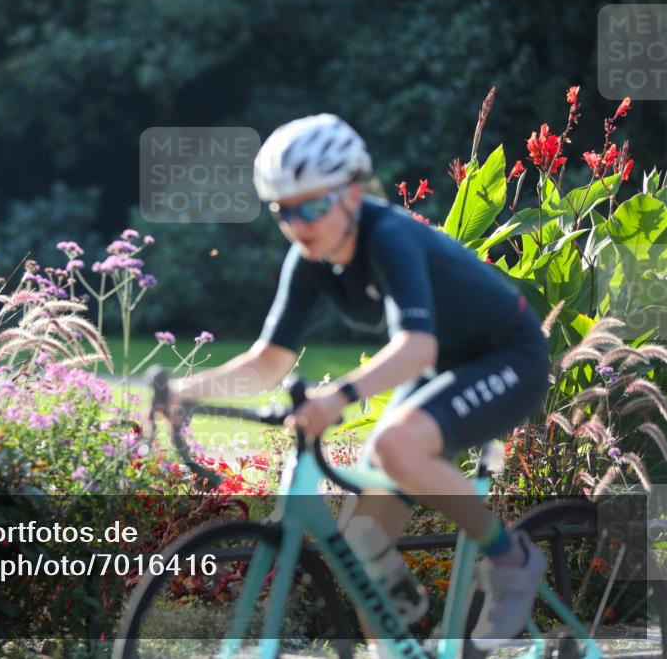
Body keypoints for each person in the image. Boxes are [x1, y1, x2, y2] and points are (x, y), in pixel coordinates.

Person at [168, 113, 550, 650]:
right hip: (442, 367)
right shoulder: (309, 259)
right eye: (284, 211)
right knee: (362, 550)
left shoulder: (389, 237)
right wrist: (190, 391)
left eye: (314, 205)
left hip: (510, 356)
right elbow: (268, 363)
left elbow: (416, 346)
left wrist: (339, 396)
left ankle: (513, 559)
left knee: (396, 444)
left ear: (351, 192)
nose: (301, 224)